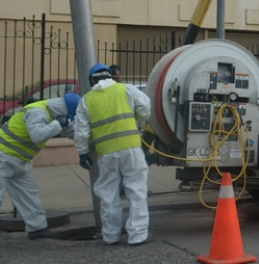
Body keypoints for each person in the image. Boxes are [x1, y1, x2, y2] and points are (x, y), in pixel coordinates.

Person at [74, 63, 152, 246]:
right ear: (110, 76)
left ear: (92, 80)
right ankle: (138, 235)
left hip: (106, 153)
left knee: (108, 194)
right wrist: (136, 117)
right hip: (131, 149)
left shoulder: (87, 99)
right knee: (136, 191)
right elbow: (145, 109)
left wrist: (82, 152)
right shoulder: (127, 90)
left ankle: (110, 235)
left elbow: (81, 131)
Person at [0, 93, 81, 239]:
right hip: (4, 156)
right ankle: (37, 228)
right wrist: (57, 124)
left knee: (29, 195)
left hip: (19, 160)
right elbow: (37, 136)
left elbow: (72, 132)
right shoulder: (37, 112)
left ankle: (37, 229)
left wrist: (90, 144)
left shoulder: (55, 115)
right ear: (63, 108)